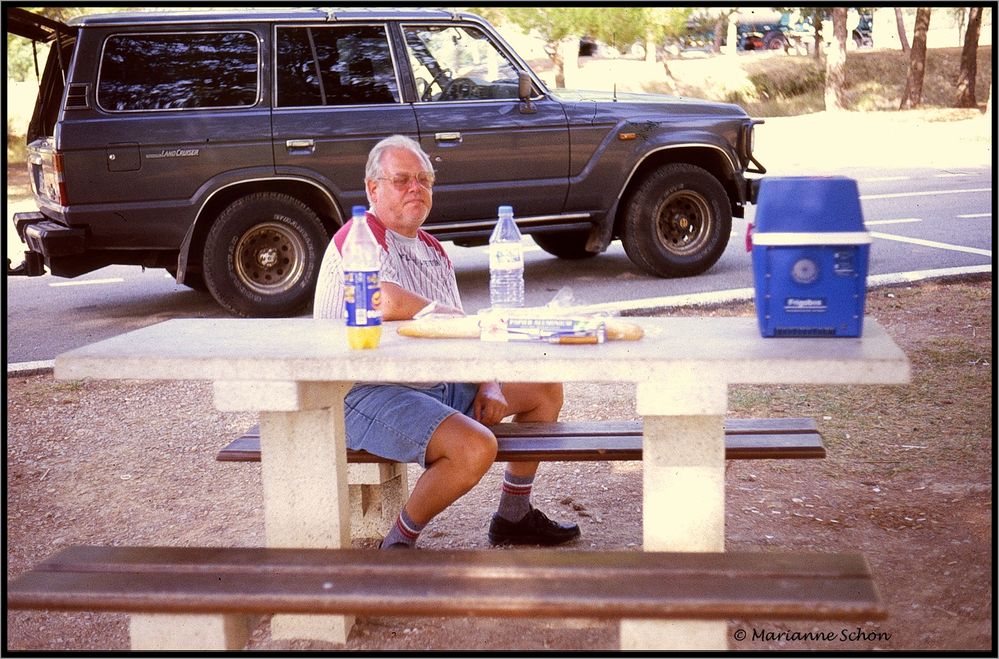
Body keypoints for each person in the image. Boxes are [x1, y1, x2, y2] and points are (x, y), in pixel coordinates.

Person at [314, 134, 580, 549]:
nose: (415, 188)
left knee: (544, 385)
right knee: (475, 446)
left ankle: (514, 515)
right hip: (362, 393)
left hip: (429, 387)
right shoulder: (360, 234)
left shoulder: (433, 249)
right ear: (373, 188)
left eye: (424, 179)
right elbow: (380, 297)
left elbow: (464, 333)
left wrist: (489, 381)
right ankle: (398, 544)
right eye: (402, 179)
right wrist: (436, 311)